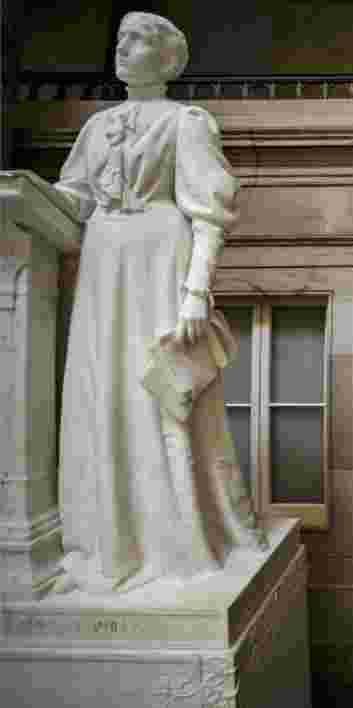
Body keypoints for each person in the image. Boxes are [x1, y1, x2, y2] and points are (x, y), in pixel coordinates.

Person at [54, 12, 264, 594]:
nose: (122, 48)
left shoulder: (186, 122)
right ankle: (109, 541)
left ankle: (175, 541)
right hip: (104, 264)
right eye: (119, 38)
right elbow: (71, 200)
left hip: (159, 262)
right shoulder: (96, 129)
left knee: (161, 393)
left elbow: (209, 214)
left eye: (138, 39)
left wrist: (197, 290)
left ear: (169, 59)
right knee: (107, 391)